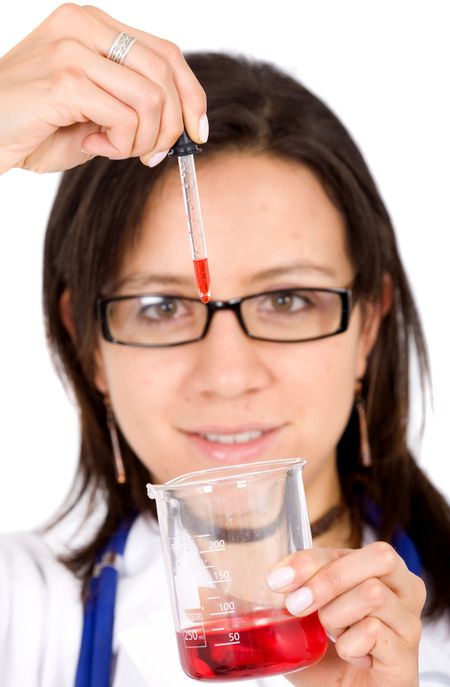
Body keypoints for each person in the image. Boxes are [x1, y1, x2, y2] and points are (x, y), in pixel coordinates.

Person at [0, 4, 449, 686]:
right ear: (87, 345)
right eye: (160, 306)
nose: (229, 374)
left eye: (288, 299)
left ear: (370, 325)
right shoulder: (26, 614)